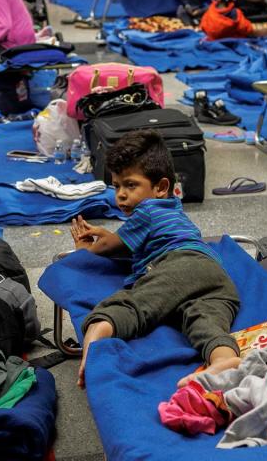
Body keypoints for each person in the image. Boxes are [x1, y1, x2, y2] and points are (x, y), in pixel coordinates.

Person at [69, 129, 241, 389]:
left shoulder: (147, 211)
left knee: (136, 304)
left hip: (179, 265)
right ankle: (223, 359)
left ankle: (96, 339)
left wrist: (85, 249)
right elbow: (128, 242)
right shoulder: (170, 208)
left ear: (161, 187)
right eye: (116, 186)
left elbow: (109, 246)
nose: (121, 195)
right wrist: (111, 237)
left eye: (130, 184)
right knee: (204, 320)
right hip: (215, 276)